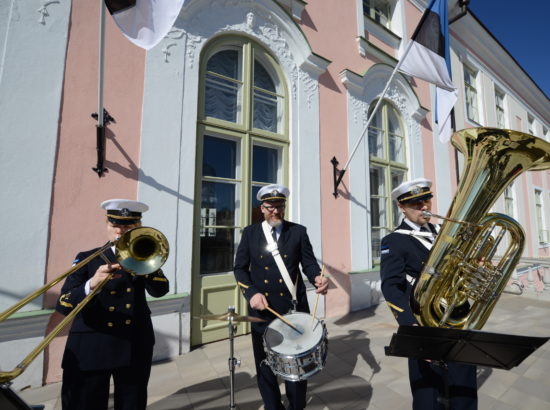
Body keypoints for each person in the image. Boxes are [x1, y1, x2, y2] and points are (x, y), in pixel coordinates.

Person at [56, 199, 169, 410]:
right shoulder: (86, 258)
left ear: (138, 227)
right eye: (115, 225)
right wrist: (93, 283)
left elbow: (160, 290)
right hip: (92, 343)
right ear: (107, 226)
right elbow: (63, 304)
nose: (120, 231)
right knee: (85, 403)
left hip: (133, 342)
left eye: (127, 226)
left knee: (132, 403)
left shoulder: (145, 257)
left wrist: (145, 264)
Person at [380, 178, 478, 410]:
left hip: (455, 318)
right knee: (428, 392)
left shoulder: (441, 232)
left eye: (426, 200)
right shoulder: (394, 240)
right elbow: (391, 287)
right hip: (424, 323)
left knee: (463, 384)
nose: (424, 207)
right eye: (415, 203)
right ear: (401, 207)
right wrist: (412, 328)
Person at [234, 184, 329, 410]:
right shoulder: (250, 233)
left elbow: (308, 263)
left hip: (292, 310)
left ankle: (296, 406)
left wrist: (317, 277)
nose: (275, 211)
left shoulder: (297, 231)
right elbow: (239, 269)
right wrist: (251, 292)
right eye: (270, 207)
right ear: (261, 208)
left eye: (280, 206)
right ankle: (272, 406)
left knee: (296, 366)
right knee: (265, 365)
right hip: (263, 310)